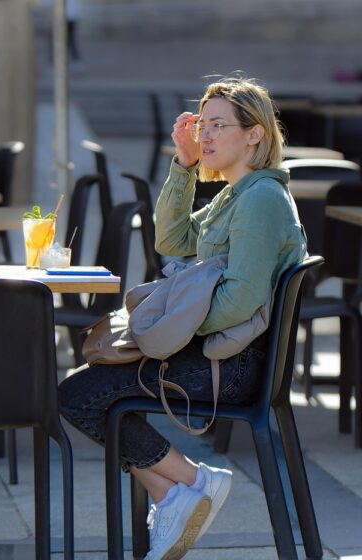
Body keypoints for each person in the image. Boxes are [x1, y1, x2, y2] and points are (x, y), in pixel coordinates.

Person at [58, 76, 307, 560]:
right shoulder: (237, 194)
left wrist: (173, 332)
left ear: (254, 134)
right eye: (202, 125)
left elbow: (241, 299)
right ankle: (171, 493)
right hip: (223, 354)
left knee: (79, 395)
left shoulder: (261, 200)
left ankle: (194, 481)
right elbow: (170, 241)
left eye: (218, 126)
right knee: (87, 389)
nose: (205, 135)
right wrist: (184, 166)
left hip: (234, 365)